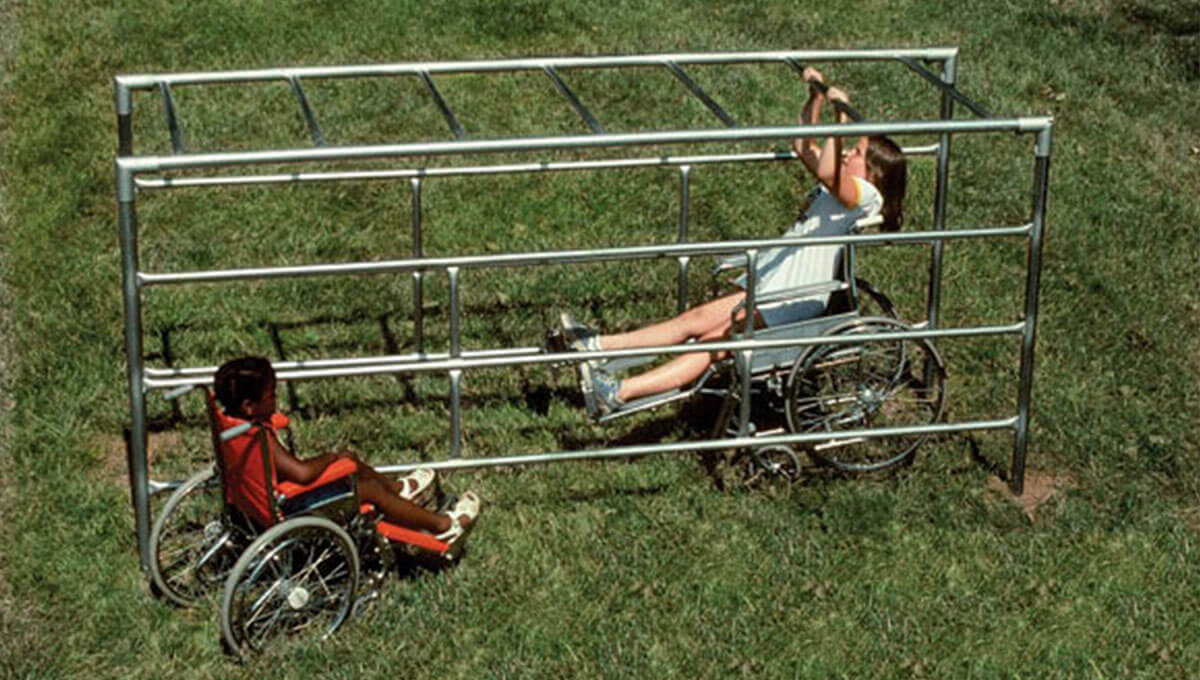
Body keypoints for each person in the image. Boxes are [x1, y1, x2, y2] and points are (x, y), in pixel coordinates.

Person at [562, 68, 907, 418]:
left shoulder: (867, 196)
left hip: (794, 297)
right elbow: (804, 146)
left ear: (875, 172)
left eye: (858, 152)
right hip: (775, 283)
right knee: (694, 319)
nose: (848, 153)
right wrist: (815, 100)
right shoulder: (843, 188)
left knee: (714, 344)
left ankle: (619, 393)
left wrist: (840, 118)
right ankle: (597, 347)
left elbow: (827, 170)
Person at [213, 356, 480, 549]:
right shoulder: (256, 437)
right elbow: (302, 474)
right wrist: (330, 458)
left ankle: (398, 490)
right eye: (271, 395)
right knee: (366, 487)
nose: (276, 399)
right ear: (249, 406)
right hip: (290, 508)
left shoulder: (231, 428)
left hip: (254, 502)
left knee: (350, 460)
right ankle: (443, 527)